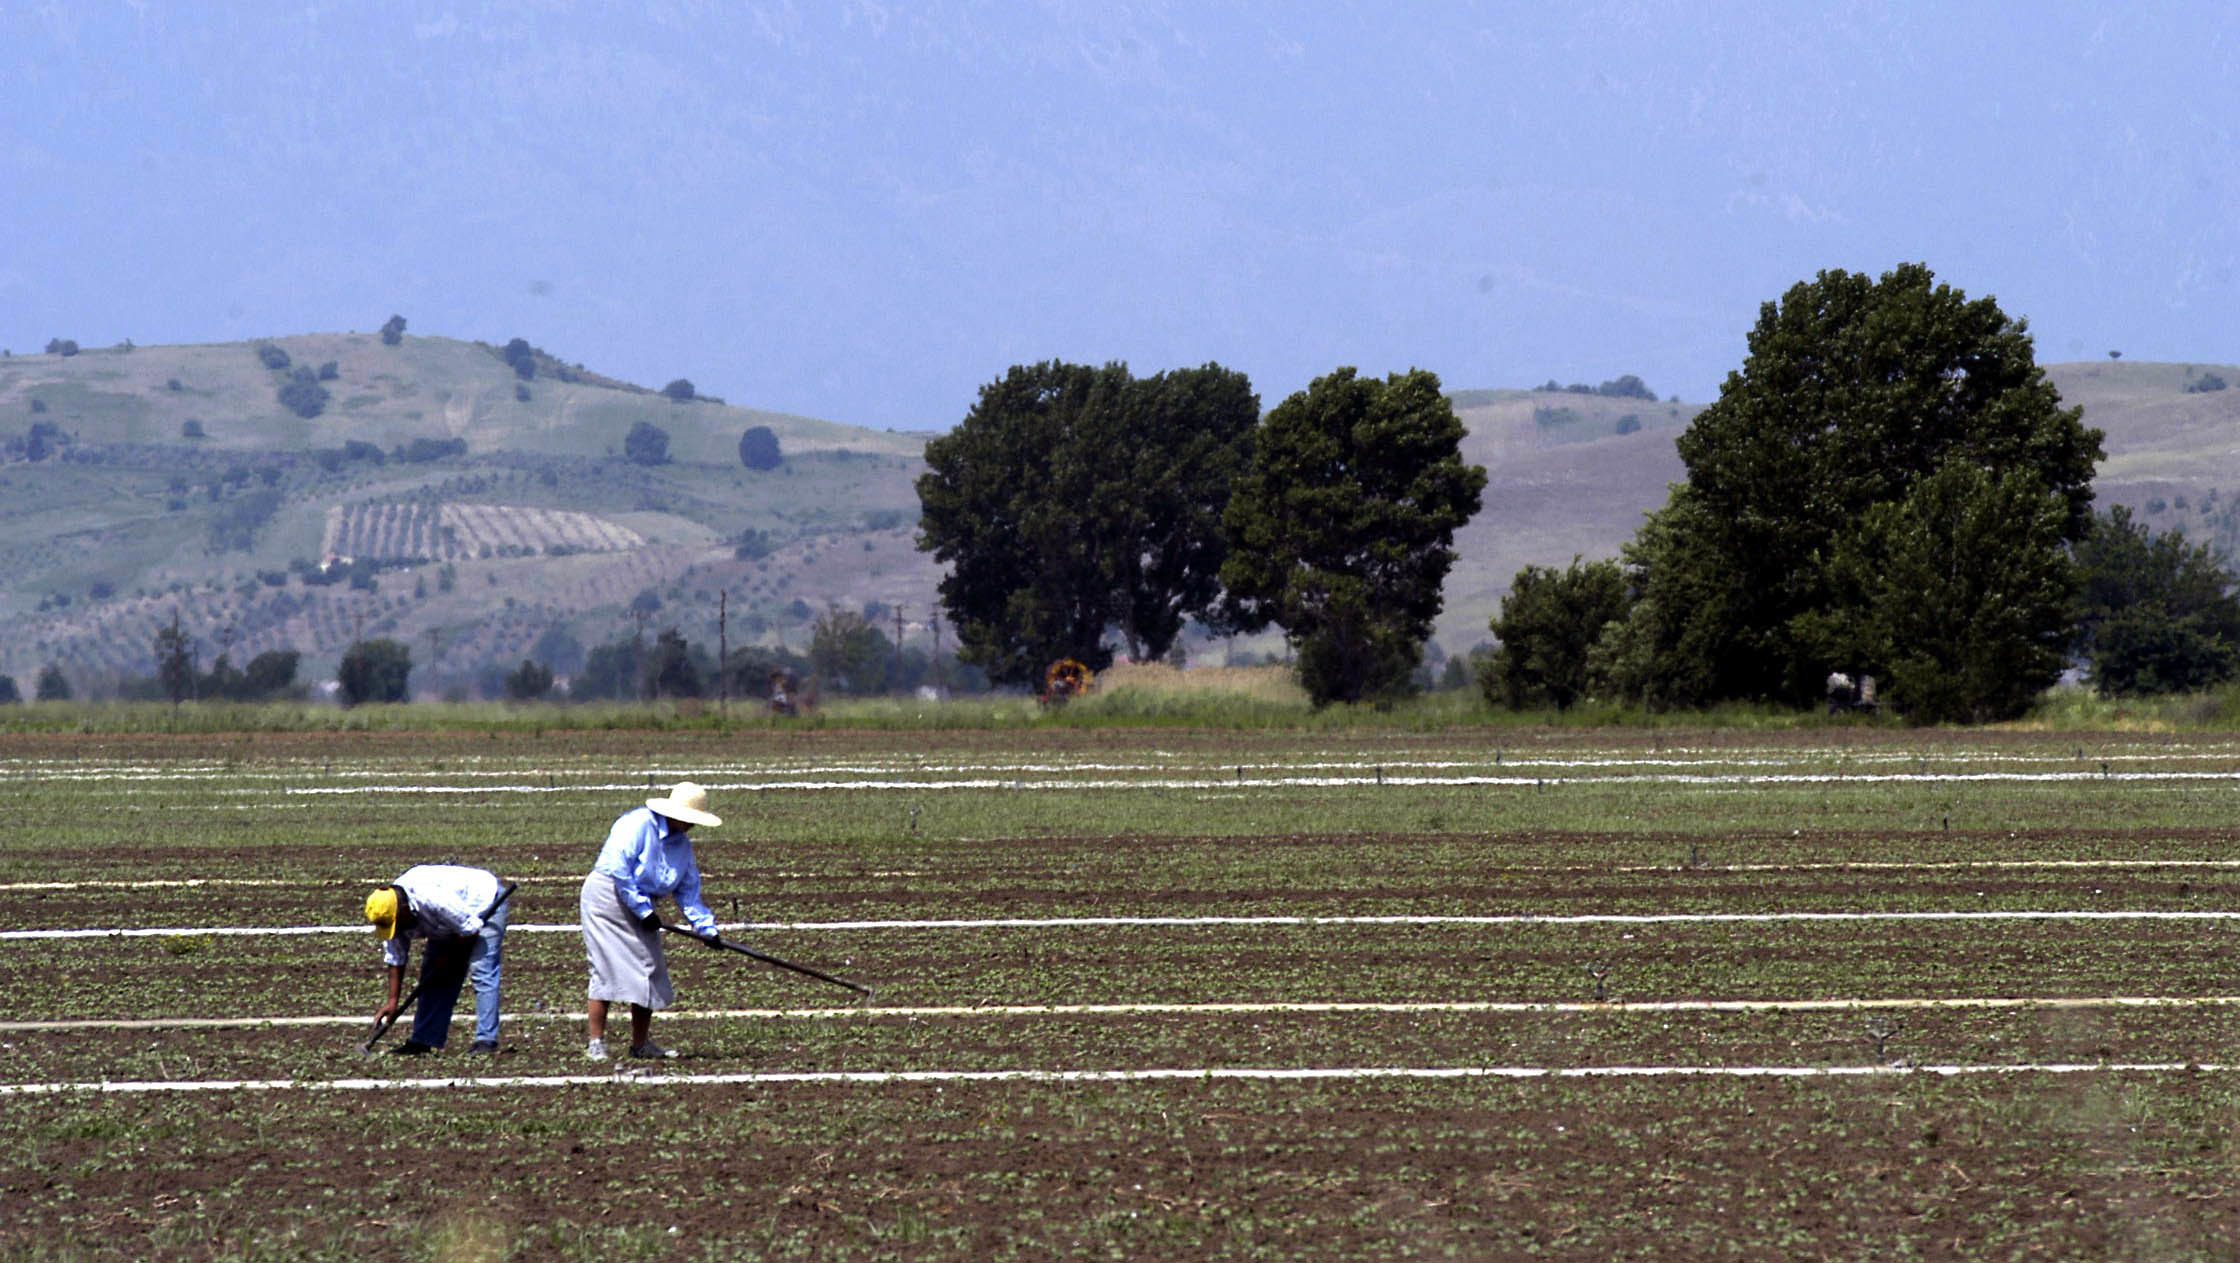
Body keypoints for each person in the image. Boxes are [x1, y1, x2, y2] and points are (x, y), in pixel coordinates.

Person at [580, 780, 726, 1060]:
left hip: (642, 905)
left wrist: (707, 929)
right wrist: (643, 911)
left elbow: (688, 891)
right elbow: (618, 868)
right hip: (607, 898)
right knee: (605, 967)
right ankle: (596, 1042)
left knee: (649, 967)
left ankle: (641, 1044)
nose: (690, 825)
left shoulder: (682, 847)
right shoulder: (637, 824)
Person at [363, 864, 513, 1056]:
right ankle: (423, 1041)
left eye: (398, 924)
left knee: (482, 969)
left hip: (482, 902)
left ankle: (486, 1041)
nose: (398, 929)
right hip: (446, 921)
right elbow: (396, 957)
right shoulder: (388, 910)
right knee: (434, 976)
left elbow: (471, 929)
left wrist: (450, 956)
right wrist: (393, 1001)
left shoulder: (433, 899)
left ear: (405, 909)